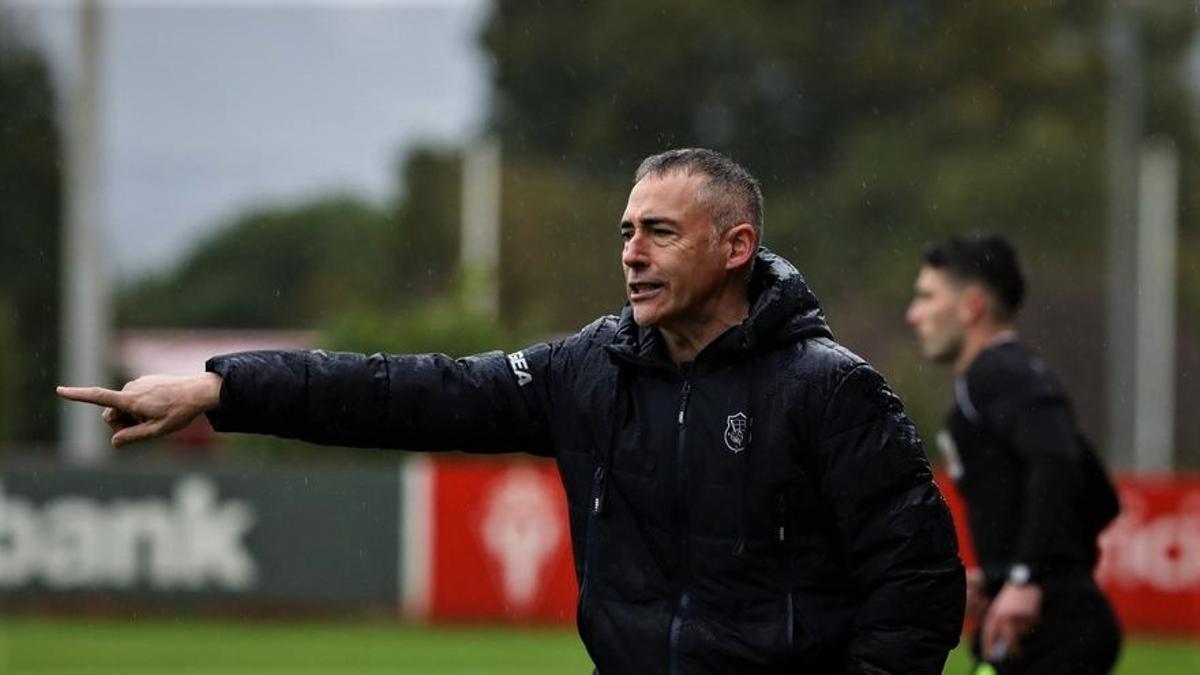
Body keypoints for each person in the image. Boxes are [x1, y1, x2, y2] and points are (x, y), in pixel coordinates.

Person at [61, 148, 965, 673]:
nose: (632, 254)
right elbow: (406, 391)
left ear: (737, 247)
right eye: (625, 231)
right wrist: (224, 388)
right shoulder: (590, 371)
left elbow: (917, 585)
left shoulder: (829, 389)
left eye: (660, 231)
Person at [906, 234, 1122, 674]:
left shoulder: (1001, 373)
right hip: (1045, 626)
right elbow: (1100, 496)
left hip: (1054, 630)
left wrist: (1029, 578)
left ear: (970, 306)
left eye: (927, 296)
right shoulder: (999, 381)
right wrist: (1004, 574)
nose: (914, 314)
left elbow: (1058, 462)